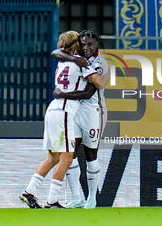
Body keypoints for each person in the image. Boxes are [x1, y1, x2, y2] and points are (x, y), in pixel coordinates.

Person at [19, 31, 101, 208]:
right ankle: (52, 200)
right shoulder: (81, 63)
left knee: (53, 157)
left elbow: (56, 54)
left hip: (53, 108)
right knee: (67, 157)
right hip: (64, 112)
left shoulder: (62, 63)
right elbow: (98, 82)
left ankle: (29, 191)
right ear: (76, 45)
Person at [51, 30, 110, 209]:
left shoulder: (101, 63)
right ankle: (76, 197)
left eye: (89, 44)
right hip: (74, 111)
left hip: (93, 111)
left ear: (96, 45)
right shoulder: (77, 57)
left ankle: (92, 198)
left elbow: (90, 91)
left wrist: (62, 93)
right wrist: (75, 59)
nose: (86, 48)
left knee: (91, 155)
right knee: (71, 153)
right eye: (83, 44)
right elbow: (55, 52)